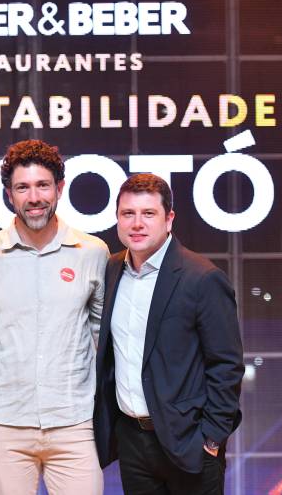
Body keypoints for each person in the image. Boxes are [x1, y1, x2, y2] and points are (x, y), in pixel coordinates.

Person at [0, 139, 108, 495]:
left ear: (60, 188)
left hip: (74, 424)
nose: (34, 197)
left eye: (43, 185)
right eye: (22, 188)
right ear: (9, 196)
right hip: (5, 425)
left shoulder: (92, 253)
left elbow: (103, 337)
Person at [92, 173, 244, 494]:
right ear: (117, 218)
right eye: (127, 214)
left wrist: (211, 439)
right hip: (132, 441)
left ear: (169, 219)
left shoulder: (202, 278)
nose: (137, 223)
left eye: (148, 214)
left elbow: (226, 366)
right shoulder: (111, 270)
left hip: (189, 443)